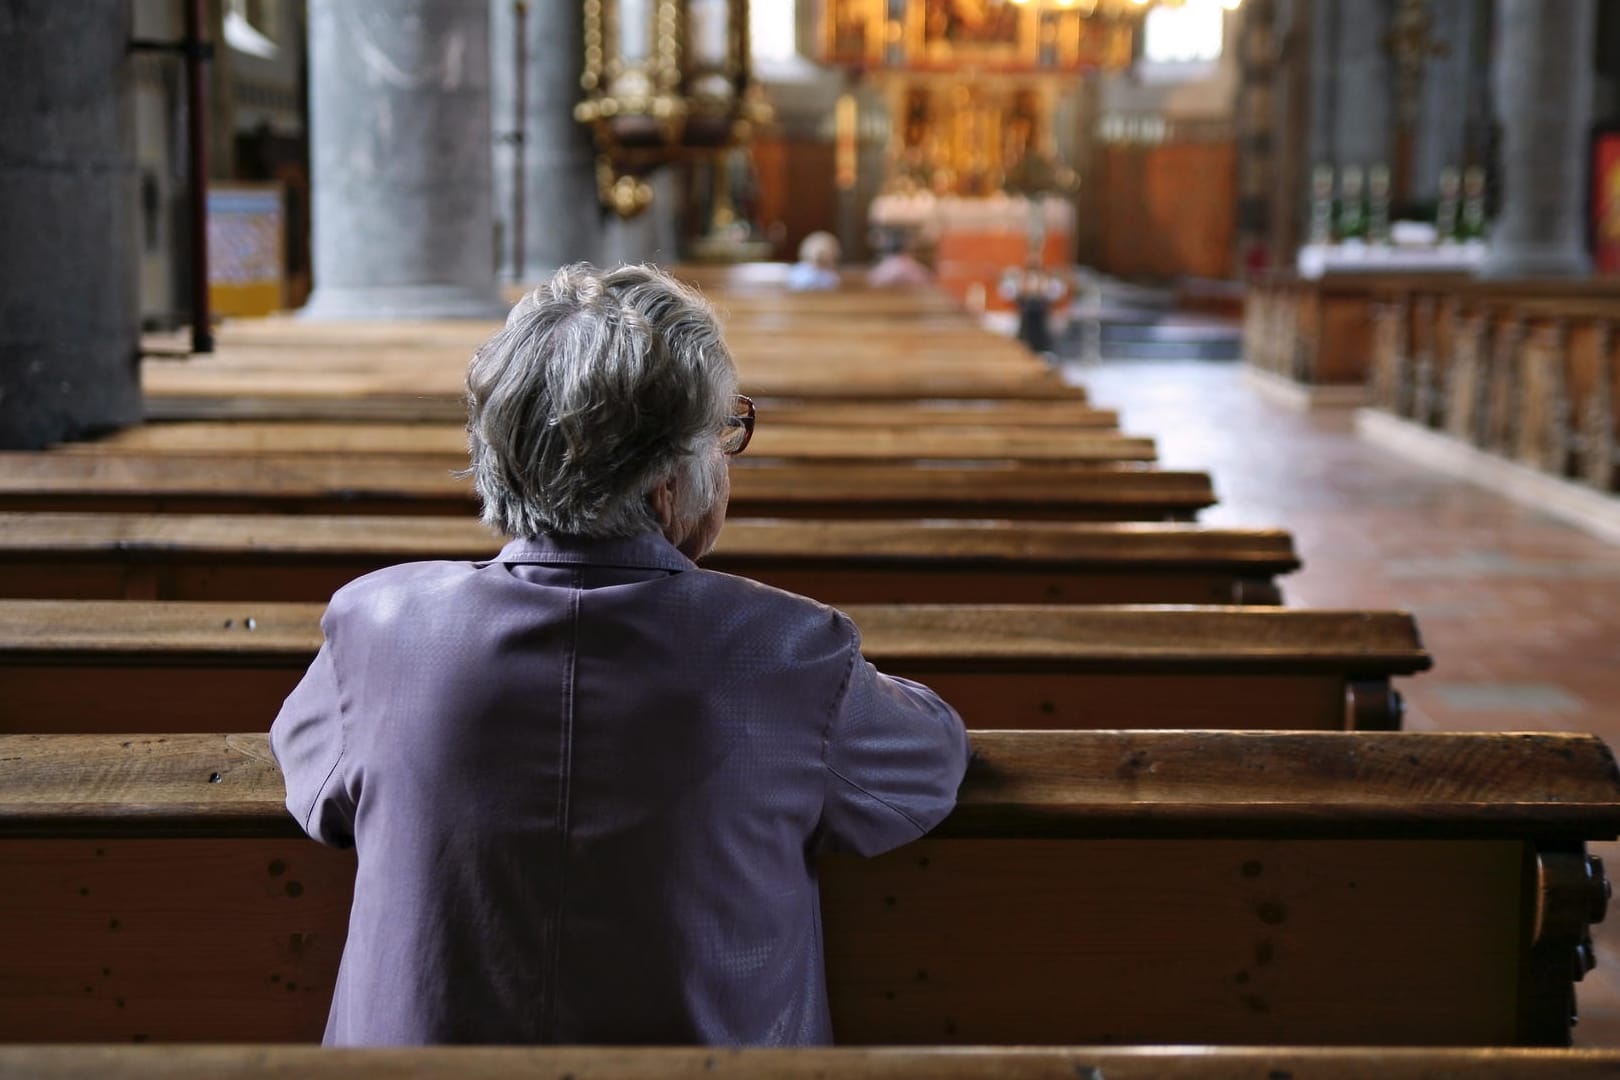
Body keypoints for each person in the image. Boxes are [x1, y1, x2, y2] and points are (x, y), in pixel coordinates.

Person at [270, 263, 968, 1047]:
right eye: (723, 435)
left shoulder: (376, 626)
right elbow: (933, 759)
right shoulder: (789, 653)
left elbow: (311, 784)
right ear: (669, 484)